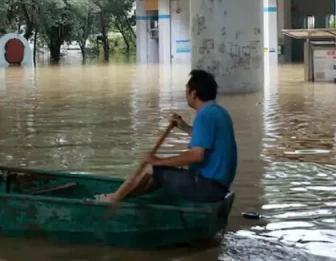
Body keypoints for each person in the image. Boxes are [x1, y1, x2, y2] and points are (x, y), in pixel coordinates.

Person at [97, 69, 237, 204]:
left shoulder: (204, 116)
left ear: (193, 93)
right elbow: (207, 140)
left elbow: (196, 156)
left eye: (186, 90)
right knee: (155, 176)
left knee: (150, 168)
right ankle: (129, 197)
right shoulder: (219, 112)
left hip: (207, 188)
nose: (185, 93)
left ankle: (113, 199)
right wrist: (184, 127)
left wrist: (157, 161)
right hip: (218, 188)